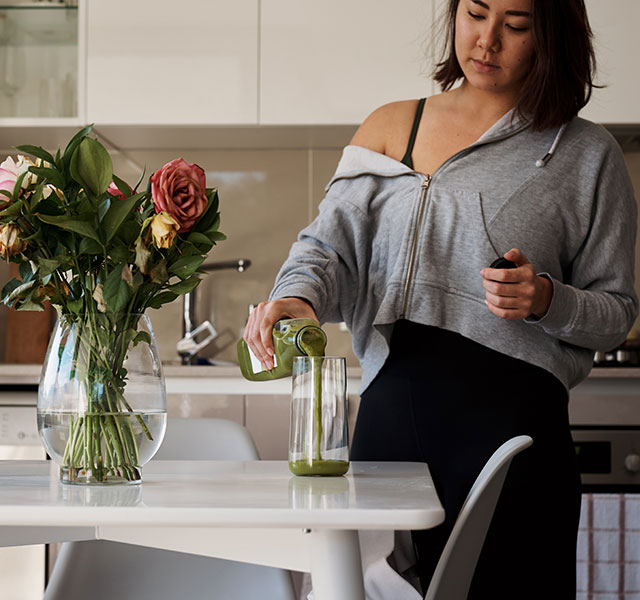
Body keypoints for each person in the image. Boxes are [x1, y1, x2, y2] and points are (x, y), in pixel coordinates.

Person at [243, 0, 638, 597]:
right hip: (390, 421)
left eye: (516, 25)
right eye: (475, 14)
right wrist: (297, 297)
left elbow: (617, 313)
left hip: (514, 435)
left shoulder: (585, 154)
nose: (487, 41)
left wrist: (545, 299)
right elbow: (327, 248)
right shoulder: (391, 127)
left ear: (550, 34)